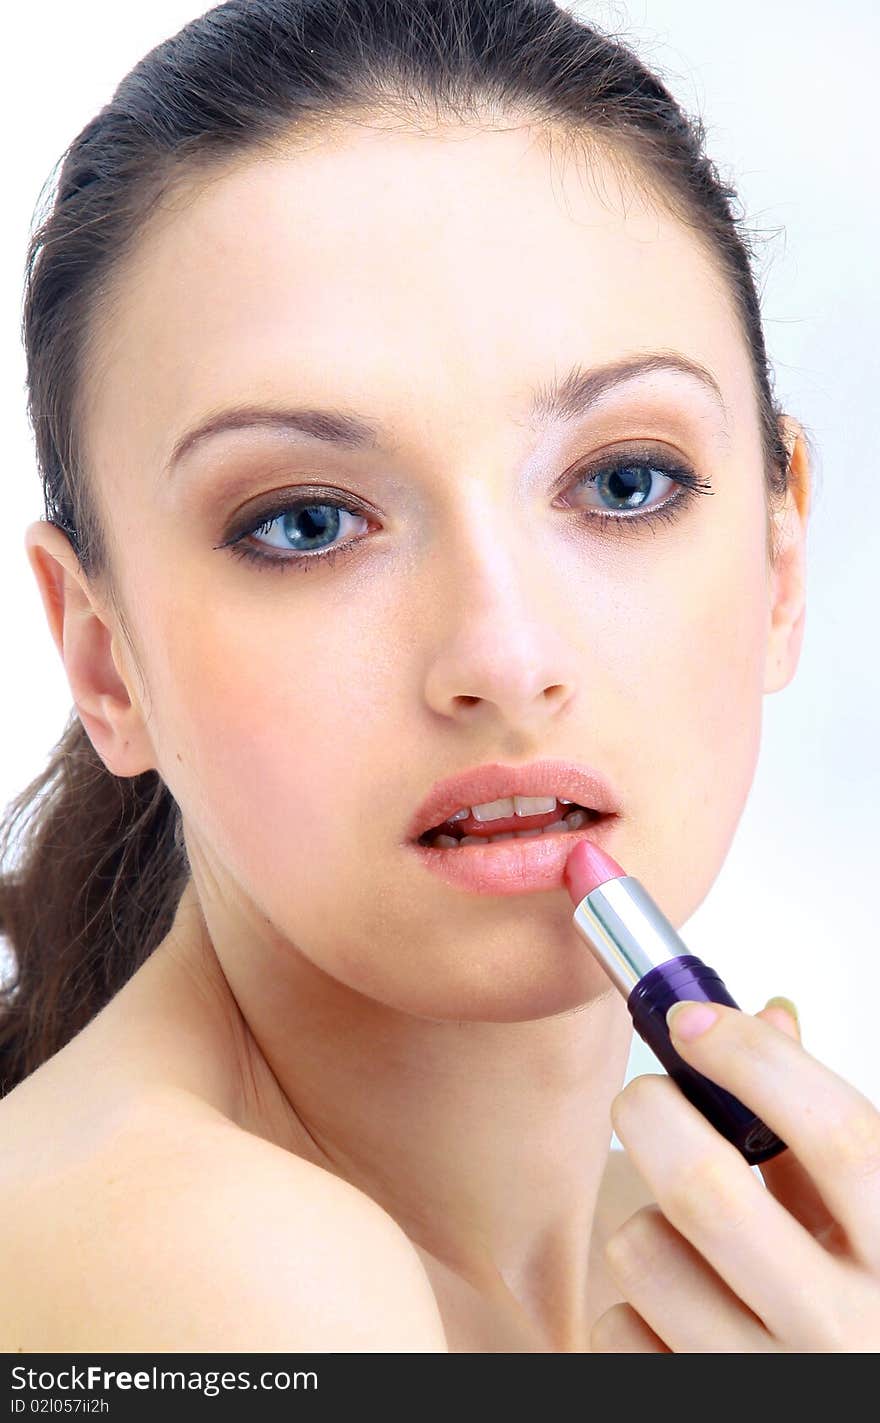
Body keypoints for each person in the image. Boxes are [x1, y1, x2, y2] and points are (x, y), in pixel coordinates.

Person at [0, 0, 875, 1354]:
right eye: (304, 522)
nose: (506, 660)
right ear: (102, 660)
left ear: (780, 555)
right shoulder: (215, 1271)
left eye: (623, 482)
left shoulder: (722, 1265)